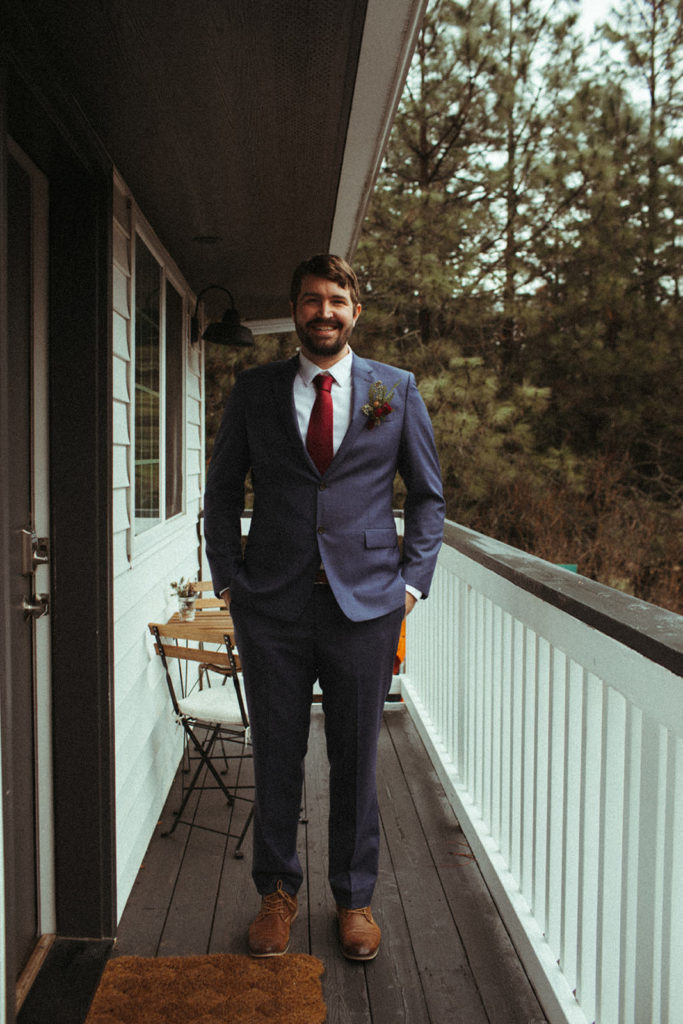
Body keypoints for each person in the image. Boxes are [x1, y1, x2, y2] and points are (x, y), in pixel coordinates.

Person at [204, 253, 444, 961]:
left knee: (354, 762)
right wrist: (227, 580)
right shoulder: (255, 390)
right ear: (296, 310)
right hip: (271, 608)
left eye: (337, 300)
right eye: (311, 300)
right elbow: (222, 493)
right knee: (275, 754)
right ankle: (276, 894)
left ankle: (353, 899)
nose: (324, 312)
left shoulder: (393, 390)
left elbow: (427, 498)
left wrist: (409, 584)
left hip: (365, 608)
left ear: (355, 311)